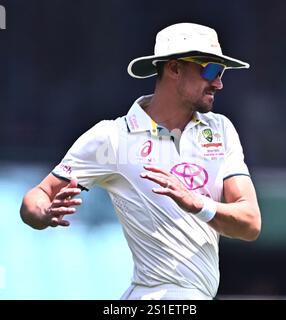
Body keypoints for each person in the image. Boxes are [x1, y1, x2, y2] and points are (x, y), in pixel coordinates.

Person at [20, 23, 261, 300]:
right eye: (209, 70)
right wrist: (43, 214)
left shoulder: (220, 129)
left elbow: (250, 224)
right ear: (174, 69)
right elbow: (36, 198)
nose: (218, 82)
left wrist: (198, 204)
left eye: (221, 72)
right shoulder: (112, 137)